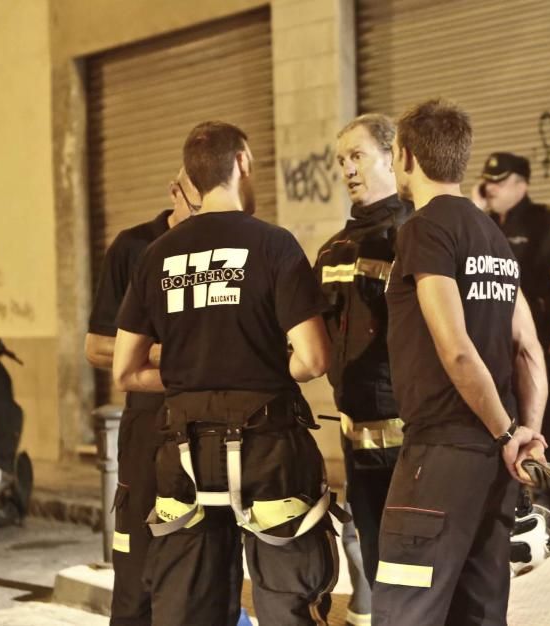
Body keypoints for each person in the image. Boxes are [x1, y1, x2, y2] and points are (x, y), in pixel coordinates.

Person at [112, 121, 338, 625]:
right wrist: (257, 370)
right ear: (241, 165)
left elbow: (126, 371)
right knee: (286, 600)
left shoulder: (156, 255)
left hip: (184, 453)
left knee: (188, 605)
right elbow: (315, 359)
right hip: (268, 451)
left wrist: (195, 379)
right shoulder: (274, 244)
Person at [371, 98, 548, 625]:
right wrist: (526, 435)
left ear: (404, 155)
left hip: (441, 452)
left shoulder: (425, 229)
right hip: (494, 465)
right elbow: (529, 350)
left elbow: (455, 347)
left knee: (405, 608)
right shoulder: (493, 235)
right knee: (480, 608)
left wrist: (503, 432)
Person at [85, 168, 244, 626]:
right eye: (199, 205)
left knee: (214, 567)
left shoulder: (225, 245)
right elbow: (96, 347)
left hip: (214, 434)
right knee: (138, 575)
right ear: (177, 192)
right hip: (149, 434)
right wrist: (172, 352)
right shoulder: (135, 248)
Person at [313, 113, 413, 626]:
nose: (347, 169)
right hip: (357, 443)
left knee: (415, 571)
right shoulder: (332, 250)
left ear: (393, 157)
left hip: (411, 442)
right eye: (341, 160)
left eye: (358, 156)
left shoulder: (413, 238)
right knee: (373, 564)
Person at [474, 151, 550, 517]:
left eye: (500, 182)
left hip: (532, 337)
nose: (491, 188)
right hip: (488, 341)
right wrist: (473, 207)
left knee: (541, 415)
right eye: (488, 181)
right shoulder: (481, 222)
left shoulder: (543, 222)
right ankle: (512, 497)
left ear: (522, 184)